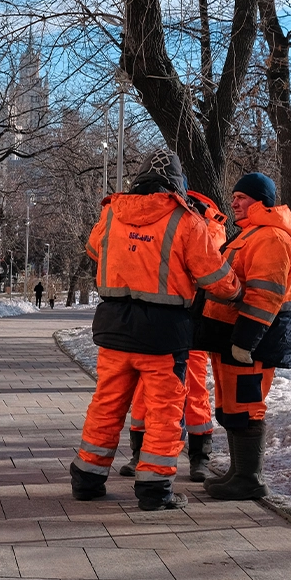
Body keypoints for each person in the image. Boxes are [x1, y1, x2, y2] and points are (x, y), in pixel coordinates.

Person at [71, 148, 241, 511]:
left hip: (115, 328)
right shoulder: (186, 220)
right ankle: (154, 488)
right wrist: (237, 289)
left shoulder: (113, 212)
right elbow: (215, 278)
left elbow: (93, 249)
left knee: (107, 403)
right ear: (176, 184)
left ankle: (87, 477)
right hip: (163, 336)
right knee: (165, 410)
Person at [198, 172, 291, 501]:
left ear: (261, 200)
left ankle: (250, 478)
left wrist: (246, 340)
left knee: (247, 406)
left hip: (250, 343)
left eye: (242, 197)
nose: (234, 202)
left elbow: (265, 294)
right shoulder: (250, 235)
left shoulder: (271, 237)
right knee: (232, 407)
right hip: (234, 338)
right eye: (234, 196)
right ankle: (238, 472)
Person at [118, 187, 227, 482]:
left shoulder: (203, 219)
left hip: (190, 318)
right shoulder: (156, 212)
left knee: (192, 387)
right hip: (158, 317)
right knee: (146, 388)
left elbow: (210, 257)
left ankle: (199, 457)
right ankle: (140, 452)